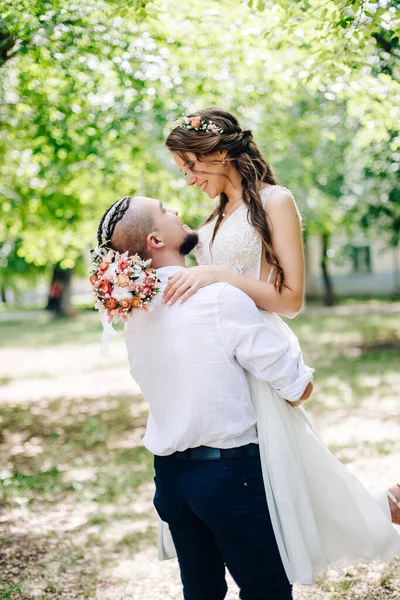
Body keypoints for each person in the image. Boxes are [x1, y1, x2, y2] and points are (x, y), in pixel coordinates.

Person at [95, 195, 400, 597]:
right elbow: (297, 388)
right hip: (229, 477)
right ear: (154, 239)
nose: (177, 209)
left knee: (201, 593)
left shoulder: (135, 311)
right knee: (265, 591)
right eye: (166, 210)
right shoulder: (219, 298)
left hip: (171, 480)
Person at [163, 107, 400, 532]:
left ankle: (375, 515)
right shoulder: (210, 219)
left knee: (286, 467)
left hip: (261, 348)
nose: (188, 179)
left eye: (190, 166)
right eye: (183, 171)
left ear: (217, 152)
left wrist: (219, 274)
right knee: (258, 475)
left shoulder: (276, 200)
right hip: (221, 361)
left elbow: (290, 300)